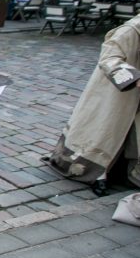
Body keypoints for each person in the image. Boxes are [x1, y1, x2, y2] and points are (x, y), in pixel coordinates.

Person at [48, 14, 140, 197]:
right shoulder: (132, 30)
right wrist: (134, 78)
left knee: (133, 133)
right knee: (106, 131)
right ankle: (99, 175)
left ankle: (125, 172)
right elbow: (109, 56)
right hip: (116, 93)